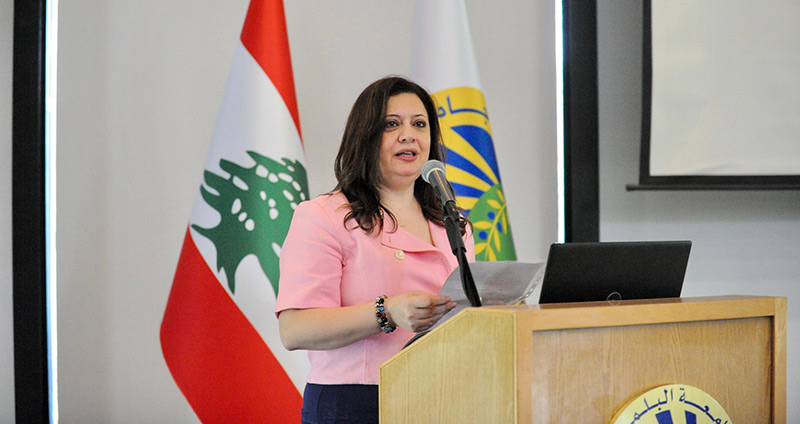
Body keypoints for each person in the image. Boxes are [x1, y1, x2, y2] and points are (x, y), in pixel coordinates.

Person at [275, 76, 475, 424]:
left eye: (419, 124)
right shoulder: (323, 216)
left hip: (443, 394)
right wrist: (387, 312)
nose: (408, 135)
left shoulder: (453, 223)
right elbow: (295, 329)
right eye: (391, 124)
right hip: (357, 401)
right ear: (365, 137)